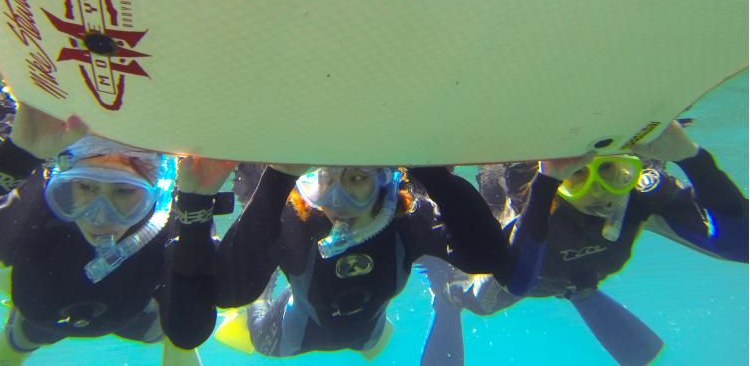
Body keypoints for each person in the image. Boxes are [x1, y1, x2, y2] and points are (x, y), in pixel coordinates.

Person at [164, 156, 589, 358]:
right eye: (325, 180)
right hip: (285, 337)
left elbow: (491, 260)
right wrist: (279, 176)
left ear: (386, 183)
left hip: (367, 335)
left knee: (367, 340)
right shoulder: (299, 220)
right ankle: (268, 290)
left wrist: (432, 173)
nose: (337, 200)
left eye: (355, 181)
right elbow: (228, 290)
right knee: (250, 296)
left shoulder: (408, 219)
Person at [419, 121, 749, 366]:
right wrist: (547, 183)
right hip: (520, 277)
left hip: (577, 275)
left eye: (611, 172)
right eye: (577, 175)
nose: (598, 192)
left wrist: (691, 157)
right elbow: (518, 280)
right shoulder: (537, 201)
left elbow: (741, 246)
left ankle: (576, 289)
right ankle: (448, 296)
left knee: (574, 282)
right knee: (477, 303)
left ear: (629, 170)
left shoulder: (642, 196)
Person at [0, 104, 222, 365]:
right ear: (62, 184)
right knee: (24, 337)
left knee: (174, 333)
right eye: (84, 187)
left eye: (125, 192)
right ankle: (12, 345)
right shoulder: (32, 211)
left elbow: (200, 309)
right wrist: (13, 156)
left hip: (141, 320)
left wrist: (194, 214)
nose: (100, 216)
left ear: (156, 196)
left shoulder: (172, 224)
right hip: (36, 322)